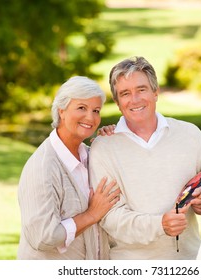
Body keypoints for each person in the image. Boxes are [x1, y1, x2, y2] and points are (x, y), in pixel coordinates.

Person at [89, 56, 201, 260]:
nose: (135, 99)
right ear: (117, 102)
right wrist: (160, 225)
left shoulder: (190, 134)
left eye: (141, 89)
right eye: (125, 93)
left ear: (156, 92)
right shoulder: (103, 148)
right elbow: (110, 217)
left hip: (191, 259)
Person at [17, 76, 120, 260]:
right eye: (82, 108)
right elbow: (42, 237)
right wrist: (91, 215)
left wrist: (110, 145)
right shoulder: (42, 168)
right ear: (61, 111)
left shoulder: (92, 156)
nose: (91, 117)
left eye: (96, 110)